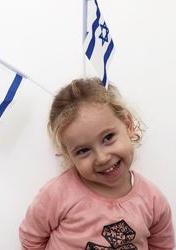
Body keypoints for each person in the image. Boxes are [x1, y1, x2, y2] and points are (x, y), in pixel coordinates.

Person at [19, 77, 175, 249]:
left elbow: (163, 246)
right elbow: (30, 238)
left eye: (108, 138)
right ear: (69, 156)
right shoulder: (57, 194)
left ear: (128, 125)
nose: (102, 158)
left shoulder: (153, 201)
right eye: (83, 151)